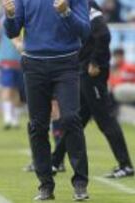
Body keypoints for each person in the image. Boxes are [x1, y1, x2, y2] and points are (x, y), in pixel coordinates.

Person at [2, 0, 90, 201]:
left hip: (66, 63)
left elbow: (85, 31)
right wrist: (9, 16)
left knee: (70, 118)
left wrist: (65, 12)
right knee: (37, 126)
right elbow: (12, 30)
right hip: (34, 64)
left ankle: (80, 183)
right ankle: (45, 185)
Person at [52, 1, 134, 178]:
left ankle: (126, 165)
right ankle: (55, 162)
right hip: (84, 69)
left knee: (105, 118)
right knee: (76, 120)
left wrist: (95, 61)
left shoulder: (86, 5)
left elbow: (103, 33)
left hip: (93, 72)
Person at [0, 19, 24, 130]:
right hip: (6, 59)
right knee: (7, 88)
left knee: (18, 91)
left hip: (21, 59)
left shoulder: (25, 16)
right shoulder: (0, 21)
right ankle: (7, 118)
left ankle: (15, 119)